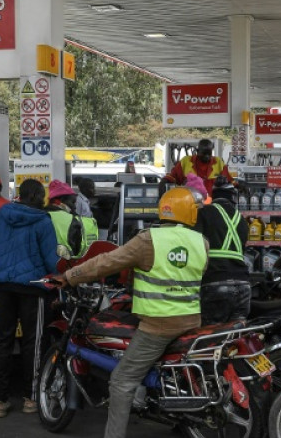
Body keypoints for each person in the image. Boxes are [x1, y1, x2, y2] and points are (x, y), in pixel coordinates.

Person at [48, 187, 209, 438]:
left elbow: (106, 262)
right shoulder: (202, 242)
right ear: (190, 213)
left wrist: (69, 277)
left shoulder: (148, 240)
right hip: (191, 321)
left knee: (121, 382)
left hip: (158, 326)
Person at [0, 179, 59, 418]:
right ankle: (30, 398)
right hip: (33, 289)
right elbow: (51, 260)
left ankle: (0, 401)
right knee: (33, 342)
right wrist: (58, 280)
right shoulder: (43, 221)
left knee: (2, 341)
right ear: (36, 195)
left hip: (3, 287)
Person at [193, 177, 249, 324]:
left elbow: (194, 246)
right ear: (233, 198)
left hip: (215, 282)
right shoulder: (242, 220)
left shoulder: (203, 213)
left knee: (212, 338)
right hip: (243, 285)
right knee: (235, 338)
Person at [45, 180, 99, 260]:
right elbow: (78, 248)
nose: (74, 207)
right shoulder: (72, 221)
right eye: (73, 202)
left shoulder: (41, 215)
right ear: (61, 201)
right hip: (66, 265)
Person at [160, 139, 232, 196]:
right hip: (190, 203)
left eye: (209, 154)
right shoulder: (186, 162)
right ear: (197, 151)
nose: (207, 156)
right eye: (204, 154)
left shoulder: (218, 162)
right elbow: (173, 176)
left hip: (213, 204)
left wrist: (238, 185)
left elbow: (229, 180)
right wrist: (164, 181)